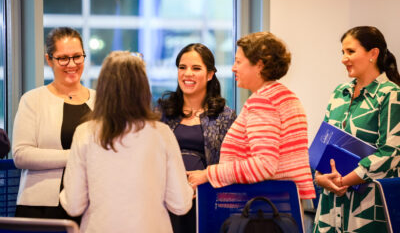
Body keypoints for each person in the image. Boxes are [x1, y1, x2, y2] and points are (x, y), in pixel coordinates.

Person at [60, 51, 193, 233]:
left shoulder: (85, 133)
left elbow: (74, 205)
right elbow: (180, 204)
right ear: (143, 88)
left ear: (104, 88)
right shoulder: (161, 133)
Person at [188, 32, 316, 200]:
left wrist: (208, 174)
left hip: (263, 210)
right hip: (283, 206)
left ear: (260, 65)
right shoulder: (286, 97)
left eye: (239, 62)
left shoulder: (263, 101)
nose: (234, 67)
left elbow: (264, 165)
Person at [313, 26, 400, 232]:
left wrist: (344, 180)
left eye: (350, 51)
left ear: (373, 53)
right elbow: (323, 144)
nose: (344, 58)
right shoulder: (339, 92)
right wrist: (319, 178)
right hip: (329, 209)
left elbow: (392, 152)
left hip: (368, 209)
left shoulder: (391, 94)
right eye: (342, 52)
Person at [12, 27, 94, 222]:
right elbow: (21, 155)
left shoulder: (101, 101)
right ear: (49, 60)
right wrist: (75, 155)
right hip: (40, 208)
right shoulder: (33, 100)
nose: (72, 64)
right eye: (63, 58)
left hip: (90, 204)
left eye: (77, 56)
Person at [157, 43, 236, 233]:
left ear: (210, 74)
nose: (187, 74)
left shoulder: (225, 116)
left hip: (207, 199)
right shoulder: (161, 112)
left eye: (196, 68)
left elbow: (231, 163)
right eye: (182, 68)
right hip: (164, 199)